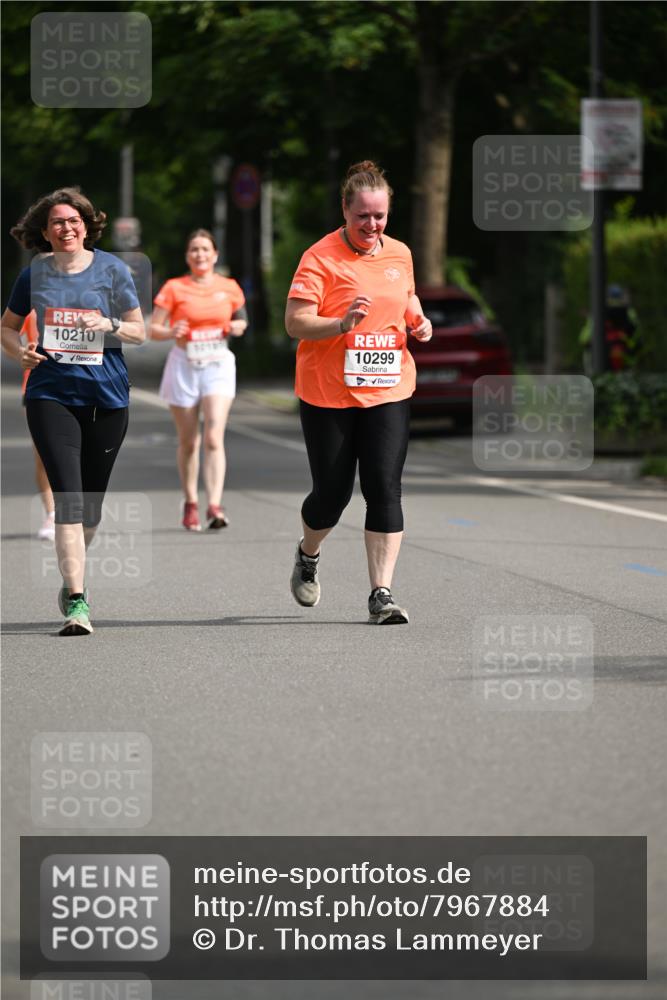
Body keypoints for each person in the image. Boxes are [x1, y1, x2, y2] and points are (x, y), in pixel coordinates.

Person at [285, 160, 432, 625]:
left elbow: (407, 296)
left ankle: (381, 594)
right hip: (328, 392)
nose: (372, 225)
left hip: (388, 387)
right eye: (363, 216)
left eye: (380, 216)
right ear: (345, 211)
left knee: (384, 487)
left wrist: (418, 321)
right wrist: (340, 324)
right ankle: (308, 553)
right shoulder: (319, 257)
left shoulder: (400, 254)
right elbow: (295, 322)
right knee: (332, 495)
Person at [1, 187, 145, 635]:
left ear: (86, 226)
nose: (66, 228)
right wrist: (20, 352)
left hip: (107, 397)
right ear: (45, 232)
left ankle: (72, 577)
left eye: (73, 220)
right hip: (51, 394)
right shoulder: (34, 274)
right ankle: (78, 602)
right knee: (69, 499)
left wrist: (108, 324)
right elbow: (7, 328)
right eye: (57, 222)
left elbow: (140, 331)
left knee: (90, 509)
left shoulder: (113, 269)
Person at [150, 229, 248, 531]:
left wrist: (237, 327)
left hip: (218, 364)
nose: (200, 254)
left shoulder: (229, 287)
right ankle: (191, 501)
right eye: (194, 249)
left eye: (205, 249)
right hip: (184, 364)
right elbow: (153, 329)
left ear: (215, 255)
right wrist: (171, 331)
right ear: (187, 256)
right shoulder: (174, 288)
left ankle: (215, 505)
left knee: (213, 437)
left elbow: (242, 320)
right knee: (189, 442)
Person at [21, 311, 56, 540]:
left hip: (81, 388)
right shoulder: (30, 310)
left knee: (82, 455)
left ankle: (78, 509)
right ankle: (52, 514)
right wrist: (21, 353)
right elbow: (7, 334)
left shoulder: (86, 302)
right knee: (44, 457)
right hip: (38, 388)